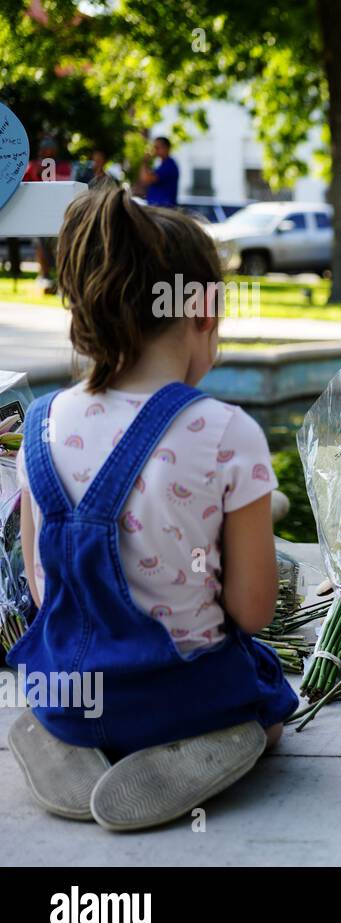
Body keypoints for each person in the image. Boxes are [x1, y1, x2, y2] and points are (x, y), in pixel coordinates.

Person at [8, 187, 298, 832]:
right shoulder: (226, 432)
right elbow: (252, 611)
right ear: (204, 313)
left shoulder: (41, 426)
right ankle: (201, 744)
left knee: (66, 687)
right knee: (272, 712)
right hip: (182, 696)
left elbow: (39, 583)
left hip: (70, 686)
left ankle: (64, 735)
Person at [22, 138, 73, 294]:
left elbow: (66, 181)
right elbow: (25, 185)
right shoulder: (32, 166)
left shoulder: (63, 166)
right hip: (38, 212)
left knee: (59, 246)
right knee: (40, 245)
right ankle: (44, 276)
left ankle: (62, 279)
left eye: (50, 150)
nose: (47, 153)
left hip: (57, 213)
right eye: (45, 150)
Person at [139, 136, 179, 207]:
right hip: (157, 206)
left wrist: (145, 162)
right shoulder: (162, 166)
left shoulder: (169, 166)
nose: (154, 150)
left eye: (157, 147)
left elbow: (146, 179)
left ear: (167, 148)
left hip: (163, 208)